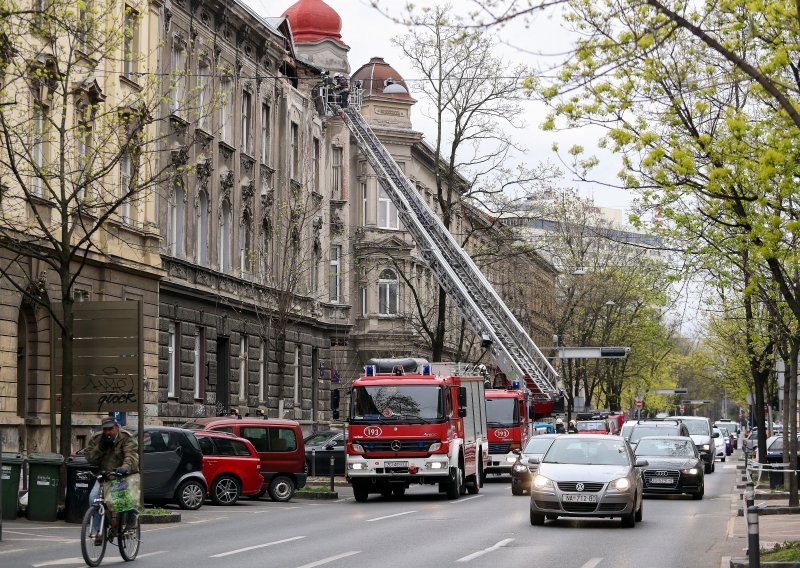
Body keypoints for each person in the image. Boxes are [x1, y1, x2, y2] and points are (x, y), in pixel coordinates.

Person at [85, 416, 139, 544]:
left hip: (123, 474)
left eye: (110, 429)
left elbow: (131, 456)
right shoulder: (97, 439)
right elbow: (90, 458)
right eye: (105, 429)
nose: (108, 432)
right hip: (105, 475)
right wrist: (100, 448)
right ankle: (98, 532)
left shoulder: (126, 437)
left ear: (116, 427)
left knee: (122, 500)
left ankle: (132, 514)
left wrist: (124, 468)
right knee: (93, 498)